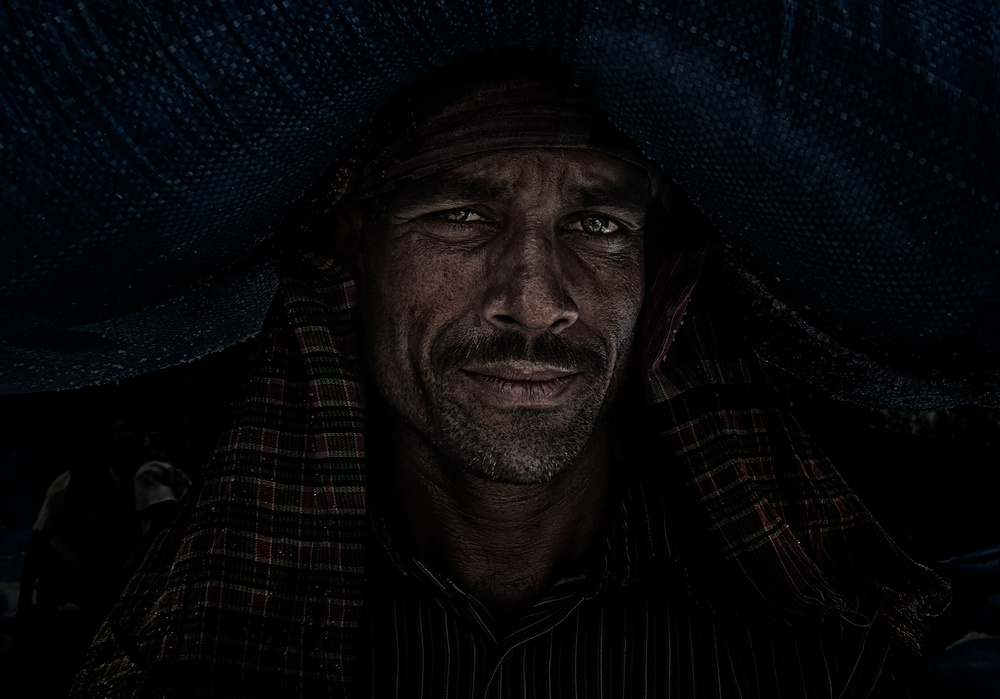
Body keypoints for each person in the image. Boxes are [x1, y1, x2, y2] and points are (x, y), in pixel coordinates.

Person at [72, 54, 948, 697]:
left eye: (599, 224)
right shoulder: (203, 661)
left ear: (659, 275)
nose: (534, 302)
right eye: (460, 215)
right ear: (352, 253)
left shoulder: (815, 659)